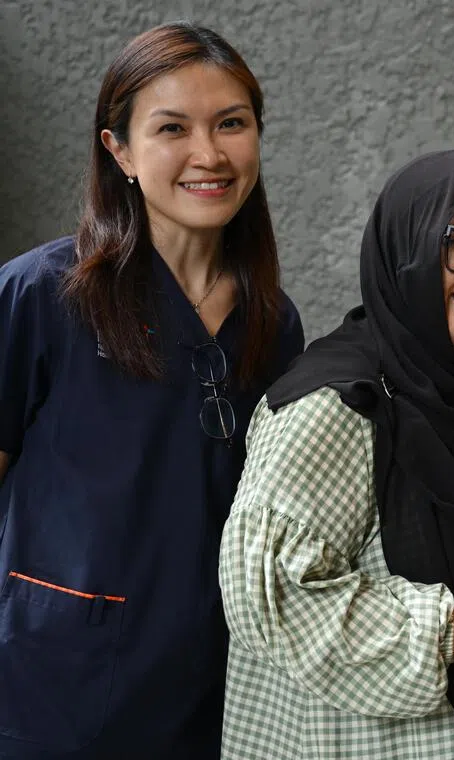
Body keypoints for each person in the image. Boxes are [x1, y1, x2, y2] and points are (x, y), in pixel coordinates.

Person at [0, 22, 304, 759]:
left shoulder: (272, 323)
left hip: (213, 696)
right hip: (49, 694)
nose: (209, 154)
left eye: (231, 123)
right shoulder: (42, 294)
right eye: (172, 128)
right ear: (120, 151)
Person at [219, 150, 454, 760]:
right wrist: (451, 632)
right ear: (406, 249)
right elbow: (270, 595)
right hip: (353, 741)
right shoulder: (335, 404)